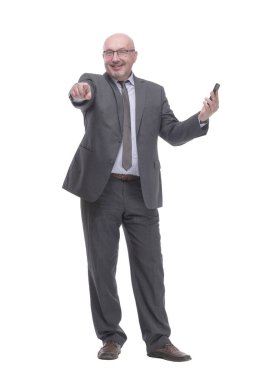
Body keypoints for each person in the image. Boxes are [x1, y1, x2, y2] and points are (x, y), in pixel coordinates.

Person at [62, 33, 219, 361]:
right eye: (108, 52)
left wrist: (202, 117)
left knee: (151, 267)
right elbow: (81, 95)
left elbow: (173, 134)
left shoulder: (153, 92)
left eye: (121, 52)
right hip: (100, 189)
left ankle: (159, 340)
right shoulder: (92, 82)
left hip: (141, 191)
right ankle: (110, 337)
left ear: (135, 55)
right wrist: (80, 94)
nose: (114, 58)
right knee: (101, 266)